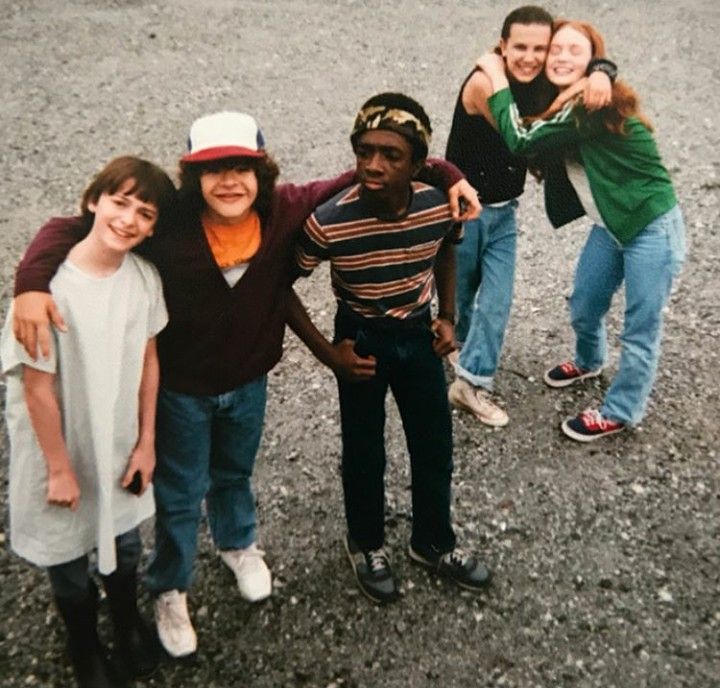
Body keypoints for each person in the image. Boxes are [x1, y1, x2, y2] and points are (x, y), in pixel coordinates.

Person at [11, 113, 478, 654]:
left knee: (234, 473)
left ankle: (238, 545)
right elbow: (72, 226)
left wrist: (447, 173)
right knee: (181, 493)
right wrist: (29, 282)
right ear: (193, 177)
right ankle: (170, 585)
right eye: (212, 171)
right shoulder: (171, 221)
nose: (228, 181)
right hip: (183, 389)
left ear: (263, 173)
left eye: (242, 168)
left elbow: (369, 172)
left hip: (249, 381)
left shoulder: (283, 210)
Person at [288, 92, 491, 604]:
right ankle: (366, 542)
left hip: (420, 337)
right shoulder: (330, 220)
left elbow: (445, 247)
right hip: (361, 339)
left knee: (434, 444)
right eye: (364, 152)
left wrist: (448, 315)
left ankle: (433, 542)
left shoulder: (436, 203)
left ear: (420, 164)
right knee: (364, 450)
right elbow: (281, 286)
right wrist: (328, 354)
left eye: (391, 155)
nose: (373, 165)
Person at [1, 156, 175, 687]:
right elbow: (36, 386)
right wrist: (58, 467)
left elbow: (148, 361)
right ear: (92, 201)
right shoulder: (48, 288)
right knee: (68, 552)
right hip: (63, 443)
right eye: (119, 202)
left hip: (119, 438)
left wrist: (147, 443)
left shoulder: (143, 278)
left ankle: (125, 621)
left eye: (144, 213)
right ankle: (83, 642)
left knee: (123, 540)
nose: (128, 219)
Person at [477, 19, 685, 441]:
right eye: (556, 50)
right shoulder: (568, 97)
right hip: (610, 226)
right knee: (584, 304)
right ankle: (590, 360)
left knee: (640, 328)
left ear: (591, 61)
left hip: (651, 227)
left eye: (576, 51)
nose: (561, 58)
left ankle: (621, 410)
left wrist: (497, 78)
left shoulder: (592, 103)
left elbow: (520, 139)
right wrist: (600, 68)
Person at [445, 5, 616, 428]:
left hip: (504, 213)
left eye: (540, 48)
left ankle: (469, 381)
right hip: (463, 213)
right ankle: (457, 346)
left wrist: (602, 71)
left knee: (497, 301)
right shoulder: (487, 82)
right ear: (502, 46)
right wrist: (501, 76)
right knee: (461, 297)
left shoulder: (530, 76)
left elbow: (577, 60)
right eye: (519, 47)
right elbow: (521, 137)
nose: (531, 57)